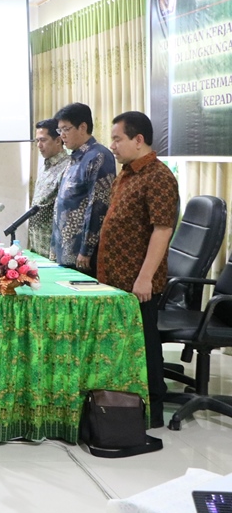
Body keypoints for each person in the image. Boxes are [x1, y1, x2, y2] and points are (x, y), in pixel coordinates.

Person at [96, 112, 178, 428]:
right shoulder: (127, 174)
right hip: (115, 279)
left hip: (137, 283)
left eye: (118, 139)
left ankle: (153, 411)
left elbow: (162, 229)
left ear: (138, 140)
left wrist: (145, 278)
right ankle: (124, 405)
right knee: (126, 347)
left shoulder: (158, 177)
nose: (112, 146)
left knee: (146, 347)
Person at [51, 103, 116, 274]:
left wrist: (86, 250)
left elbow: (98, 206)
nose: (62, 135)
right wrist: (54, 246)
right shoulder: (75, 157)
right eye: (59, 130)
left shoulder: (98, 156)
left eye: (66, 129)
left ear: (82, 127)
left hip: (82, 256)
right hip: (65, 250)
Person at [28, 119, 70, 260]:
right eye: (37, 141)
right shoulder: (44, 167)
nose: (39, 145)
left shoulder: (68, 167)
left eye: (43, 140)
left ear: (58, 140)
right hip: (36, 245)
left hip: (53, 249)